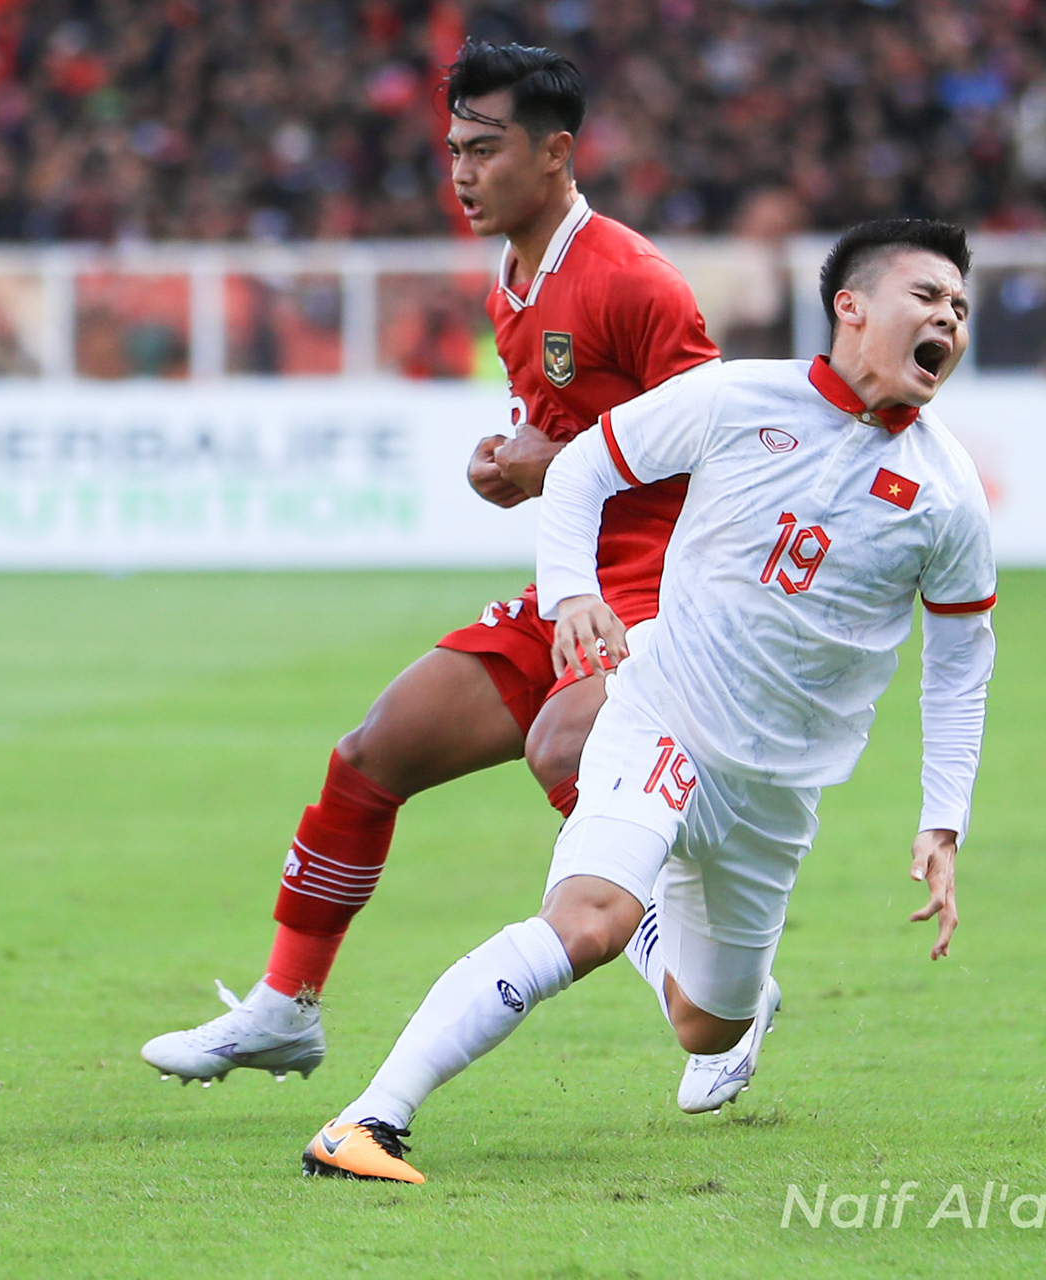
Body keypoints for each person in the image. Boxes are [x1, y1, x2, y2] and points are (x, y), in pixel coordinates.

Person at [301, 219, 997, 1183]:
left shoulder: (949, 492)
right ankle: (368, 1122)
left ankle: (706, 958)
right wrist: (571, 593)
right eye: (927, 297)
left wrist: (943, 820)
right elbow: (585, 465)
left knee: (705, 1024)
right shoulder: (737, 397)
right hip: (664, 715)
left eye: (959, 306)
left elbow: (960, 662)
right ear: (852, 306)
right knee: (589, 922)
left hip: (776, 795)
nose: (949, 319)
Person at [140, 42, 718, 1083]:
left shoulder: (635, 281)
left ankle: (709, 983)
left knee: (565, 749)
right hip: (569, 588)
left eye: (484, 150)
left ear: (555, 153)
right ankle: (285, 1006)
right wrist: (516, 466)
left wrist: (557, 462)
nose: (461, 172)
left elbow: (725, 443)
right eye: (453, 149)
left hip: (657, 591)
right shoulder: (511, 284)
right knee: (373, 753)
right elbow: (569, 444)